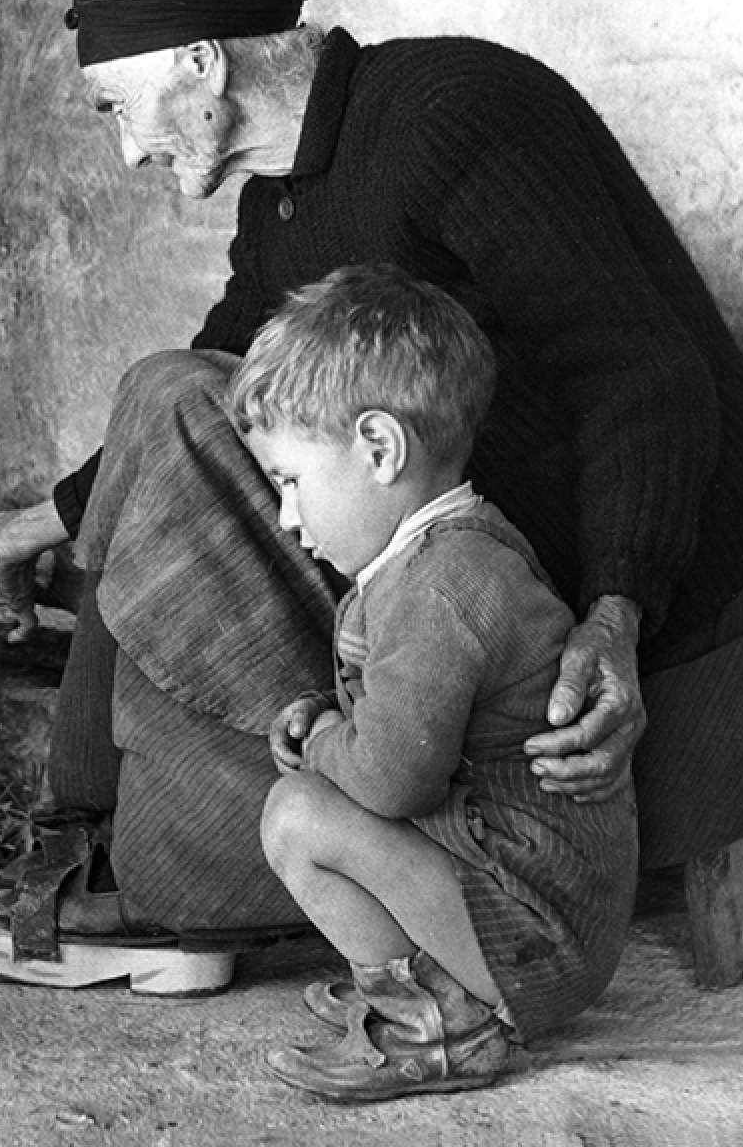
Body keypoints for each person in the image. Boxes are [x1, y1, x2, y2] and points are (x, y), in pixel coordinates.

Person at [0, 0, 743, 987]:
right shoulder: (282, 203)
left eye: (119, 107)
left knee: (178, 412)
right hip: (496, 561)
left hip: (704, 589)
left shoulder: (454, 114)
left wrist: (617, 610)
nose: (129, 146)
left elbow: (640, 371)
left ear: (201, 62)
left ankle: (179, 868)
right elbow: (216, 373)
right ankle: (108, 836)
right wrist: (40, 519)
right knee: (173, 398)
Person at [234, 264, 636, 1100]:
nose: (288, 518)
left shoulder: (444, 585)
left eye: (291, 481)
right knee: (314, 796)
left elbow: (390, 778)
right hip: (530, 912)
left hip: (538, 938)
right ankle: (426, 986)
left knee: (297, 815)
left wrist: (320, 741)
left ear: (379, 449)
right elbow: (406, 720)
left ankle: (440, 1023)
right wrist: (326, 716)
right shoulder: (440, 557)